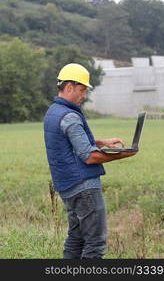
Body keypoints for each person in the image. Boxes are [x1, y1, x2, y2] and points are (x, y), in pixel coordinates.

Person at [44, 63, 137, 259]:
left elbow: (70, 142)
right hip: (83, 187)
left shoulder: (53, 112)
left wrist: (103, 141)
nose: (84, 95)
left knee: (76, 239)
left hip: (67, 186)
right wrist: (123, 154)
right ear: (69, 87)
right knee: (95, 243)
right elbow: (89, 156)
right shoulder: (69, 116)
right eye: (82, 89)